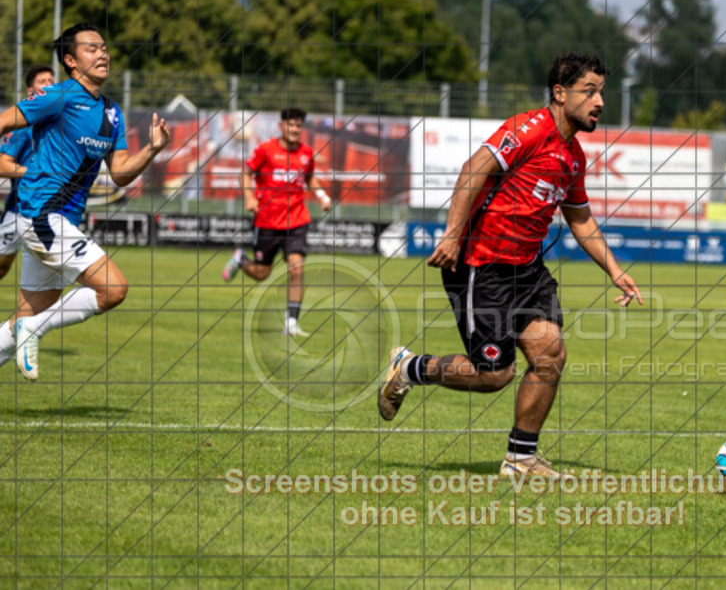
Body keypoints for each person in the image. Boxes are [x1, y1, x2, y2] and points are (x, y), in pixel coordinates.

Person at [378, 53, 643, 479]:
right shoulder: (527, 129)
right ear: (560, 93)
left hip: (528, 268)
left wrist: (615, 270)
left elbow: (579, 217)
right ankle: (409, 368)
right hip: (481, 265)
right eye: (589, 91)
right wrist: (451, 235)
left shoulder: (574, 156)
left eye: (601, 93)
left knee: (551, 352)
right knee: (494, 375)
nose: (599, 102)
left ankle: (521, 458)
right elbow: (471, 172)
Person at [0, 22, 170, 380]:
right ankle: (34, 329)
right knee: (113, 289)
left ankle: (29, 327)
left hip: (60, 222)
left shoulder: (111, 113)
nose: (103, 54)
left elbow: (121, 172)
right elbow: (3, 123)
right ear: (71, 60)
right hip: (40, 217)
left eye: (104, 47)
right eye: (91, 48)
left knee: (22, 320)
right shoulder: (57, 96)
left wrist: (152, 150)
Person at [222, 107, 332, 336]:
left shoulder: (306, 153)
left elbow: (309, 178)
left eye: (298, 126)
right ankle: (241, 259)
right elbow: (245, 173)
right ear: (282, 126)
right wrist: (250, 196)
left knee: (296, 267)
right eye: (290, 125)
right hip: (268, 221)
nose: (294, 129)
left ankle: (291, 323)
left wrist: (321, 196)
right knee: (262, 273)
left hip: (297, 219)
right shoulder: (266, 150)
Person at [0, 65, 55, 281]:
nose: (49, 85)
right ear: (30, 91)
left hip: (53, 210)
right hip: (19, 210)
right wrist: (35, 173)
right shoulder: (23, 126)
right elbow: (2, 166)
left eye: (52, 81)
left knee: (50, 273)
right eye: (43, 81)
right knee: (2, 268)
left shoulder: (61, 122)